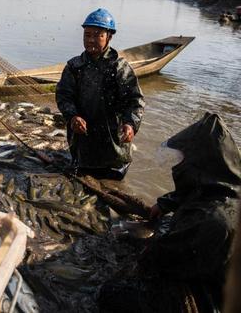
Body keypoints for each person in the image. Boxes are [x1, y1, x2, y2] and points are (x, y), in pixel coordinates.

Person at [99, 112, 241, 312]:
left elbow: (160, 259)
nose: (179, 166)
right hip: (218, 266)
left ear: (197, 163)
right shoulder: (226, 186)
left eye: (184, 160)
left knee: (112, 293)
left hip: (217, 299)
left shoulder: (212, 220)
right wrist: (164, 204)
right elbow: (194, 191)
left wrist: (144, 250)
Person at [55, 8, 144, 180]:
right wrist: (72, 117)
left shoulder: (120, 67)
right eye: (87, 35)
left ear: (109, 37)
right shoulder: (74, 67)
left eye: (97, 35)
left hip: (114, 140)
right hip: (83, 136)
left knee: (113, 178)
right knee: (82, 176)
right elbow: (64, 96)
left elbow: (135, 101)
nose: (90, 40)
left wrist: (131, 124)